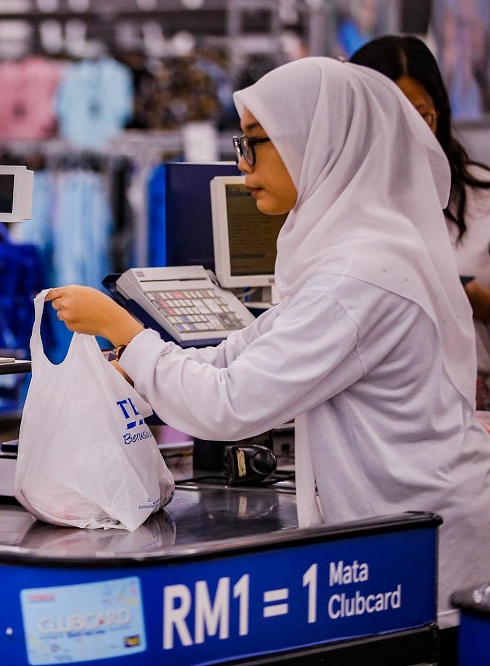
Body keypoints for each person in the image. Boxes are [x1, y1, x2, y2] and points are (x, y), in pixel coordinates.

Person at [46, 57, 490, 631]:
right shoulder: (356, 249)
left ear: (319, 141)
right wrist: (137, 368)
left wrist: (124, 330)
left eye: (257, 142)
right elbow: (244, 350)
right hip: (401, 528)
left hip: (427, 542)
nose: (241, 163)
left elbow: (230, 404)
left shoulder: (361, 273)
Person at [350, 34, 490, 412]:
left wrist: (478, 300)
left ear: (439, 112)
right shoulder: (336, 205)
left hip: (470, 401)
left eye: (422, 114)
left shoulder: (482, 198)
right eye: (391, 115)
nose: (410, 130)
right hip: (375, 405)